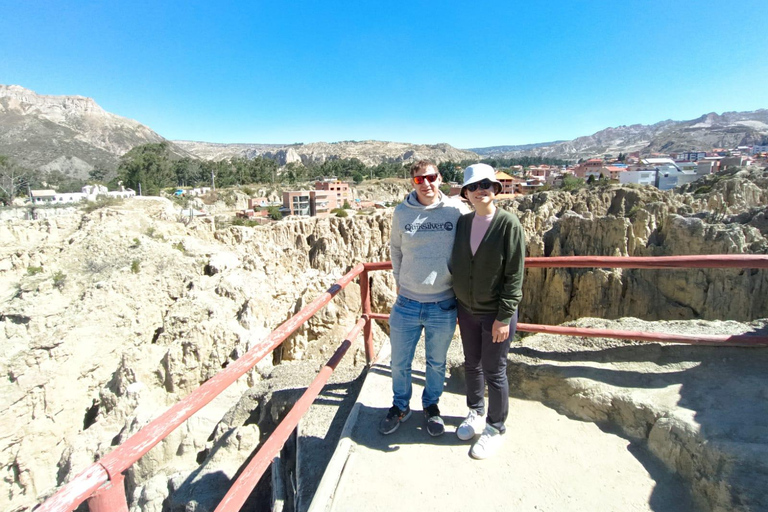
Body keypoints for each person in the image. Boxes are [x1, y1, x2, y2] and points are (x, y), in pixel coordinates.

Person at [380, 159, 468, 437]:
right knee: (399, 362)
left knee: (436, 362)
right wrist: (399, 280)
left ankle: (431, 407)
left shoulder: (456, 209)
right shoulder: (402, 213)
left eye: (431, 177)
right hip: (407, 303)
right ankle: (400, 406)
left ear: (440, 178)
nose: (426, 183)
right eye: (420, 179)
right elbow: (396, 249)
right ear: (412, 182)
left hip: (443, 304)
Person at [451, 163, 525, 459]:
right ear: (466, 193)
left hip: (496, 314)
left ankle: (495, 428)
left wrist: (504, 317)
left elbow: (515, 275)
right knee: (472, 364)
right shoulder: (464, 223)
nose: (481, 190)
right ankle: (475, 412)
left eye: (486, 184)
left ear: (495, 189)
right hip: (467, 310)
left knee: (495, 371)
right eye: (474, 186)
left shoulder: (508, 224)